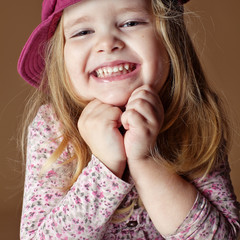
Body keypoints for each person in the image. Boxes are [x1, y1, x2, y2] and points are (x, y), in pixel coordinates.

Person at [17, 0, 240, 239]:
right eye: (83, 31)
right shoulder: (52, 127)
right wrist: (105, 166)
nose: (107, 43)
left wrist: (145, 161)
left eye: (130, 22)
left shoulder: (195, 117)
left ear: (169, 37)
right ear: (60, 54)